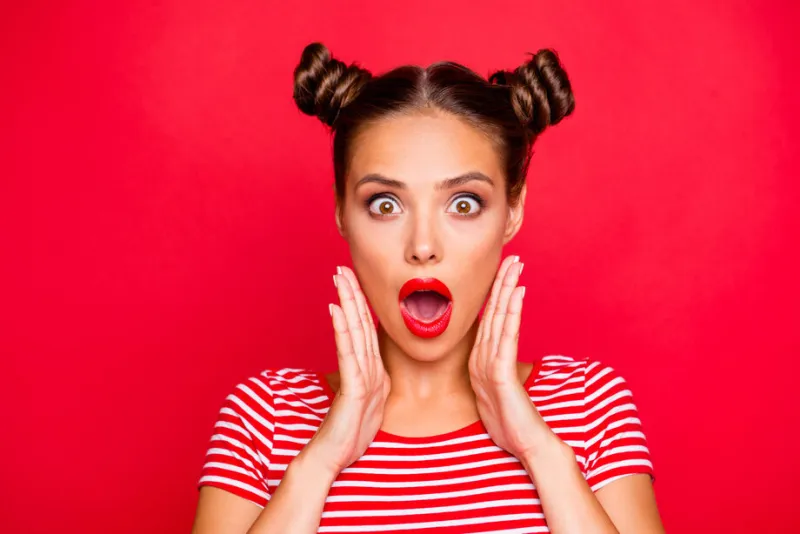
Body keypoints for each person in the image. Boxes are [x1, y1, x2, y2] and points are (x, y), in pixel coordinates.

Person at [191, 42, 664, 534]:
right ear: (341, 212)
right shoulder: (264, 417)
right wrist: (321, 460)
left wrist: (539, 449)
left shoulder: (589, 404)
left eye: (464, 204)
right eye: (384, 204)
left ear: (513, 211)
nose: (422, 246)